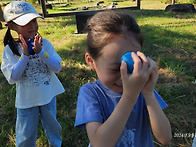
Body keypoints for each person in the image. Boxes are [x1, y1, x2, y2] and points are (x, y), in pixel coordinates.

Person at [74, 10, 172, 146]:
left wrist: (148, 92)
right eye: (115, 69)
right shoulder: (91, 93)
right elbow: (99, 144)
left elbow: (165, 138)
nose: (124, 77)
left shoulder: (141, 87)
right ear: (91, 61)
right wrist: (129, 96)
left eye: (131, 68)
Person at [1, 1, 65, 147]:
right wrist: (25, 55)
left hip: (48, 96)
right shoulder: (10, 51)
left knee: (53, 127)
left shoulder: (45, 44)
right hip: (26, 100)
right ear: (12, 26)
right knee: (26, 133)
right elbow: (12, 77)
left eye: (34, 21)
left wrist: (41, 52)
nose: (33, 26)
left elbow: (57, 67)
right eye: (26, 23)